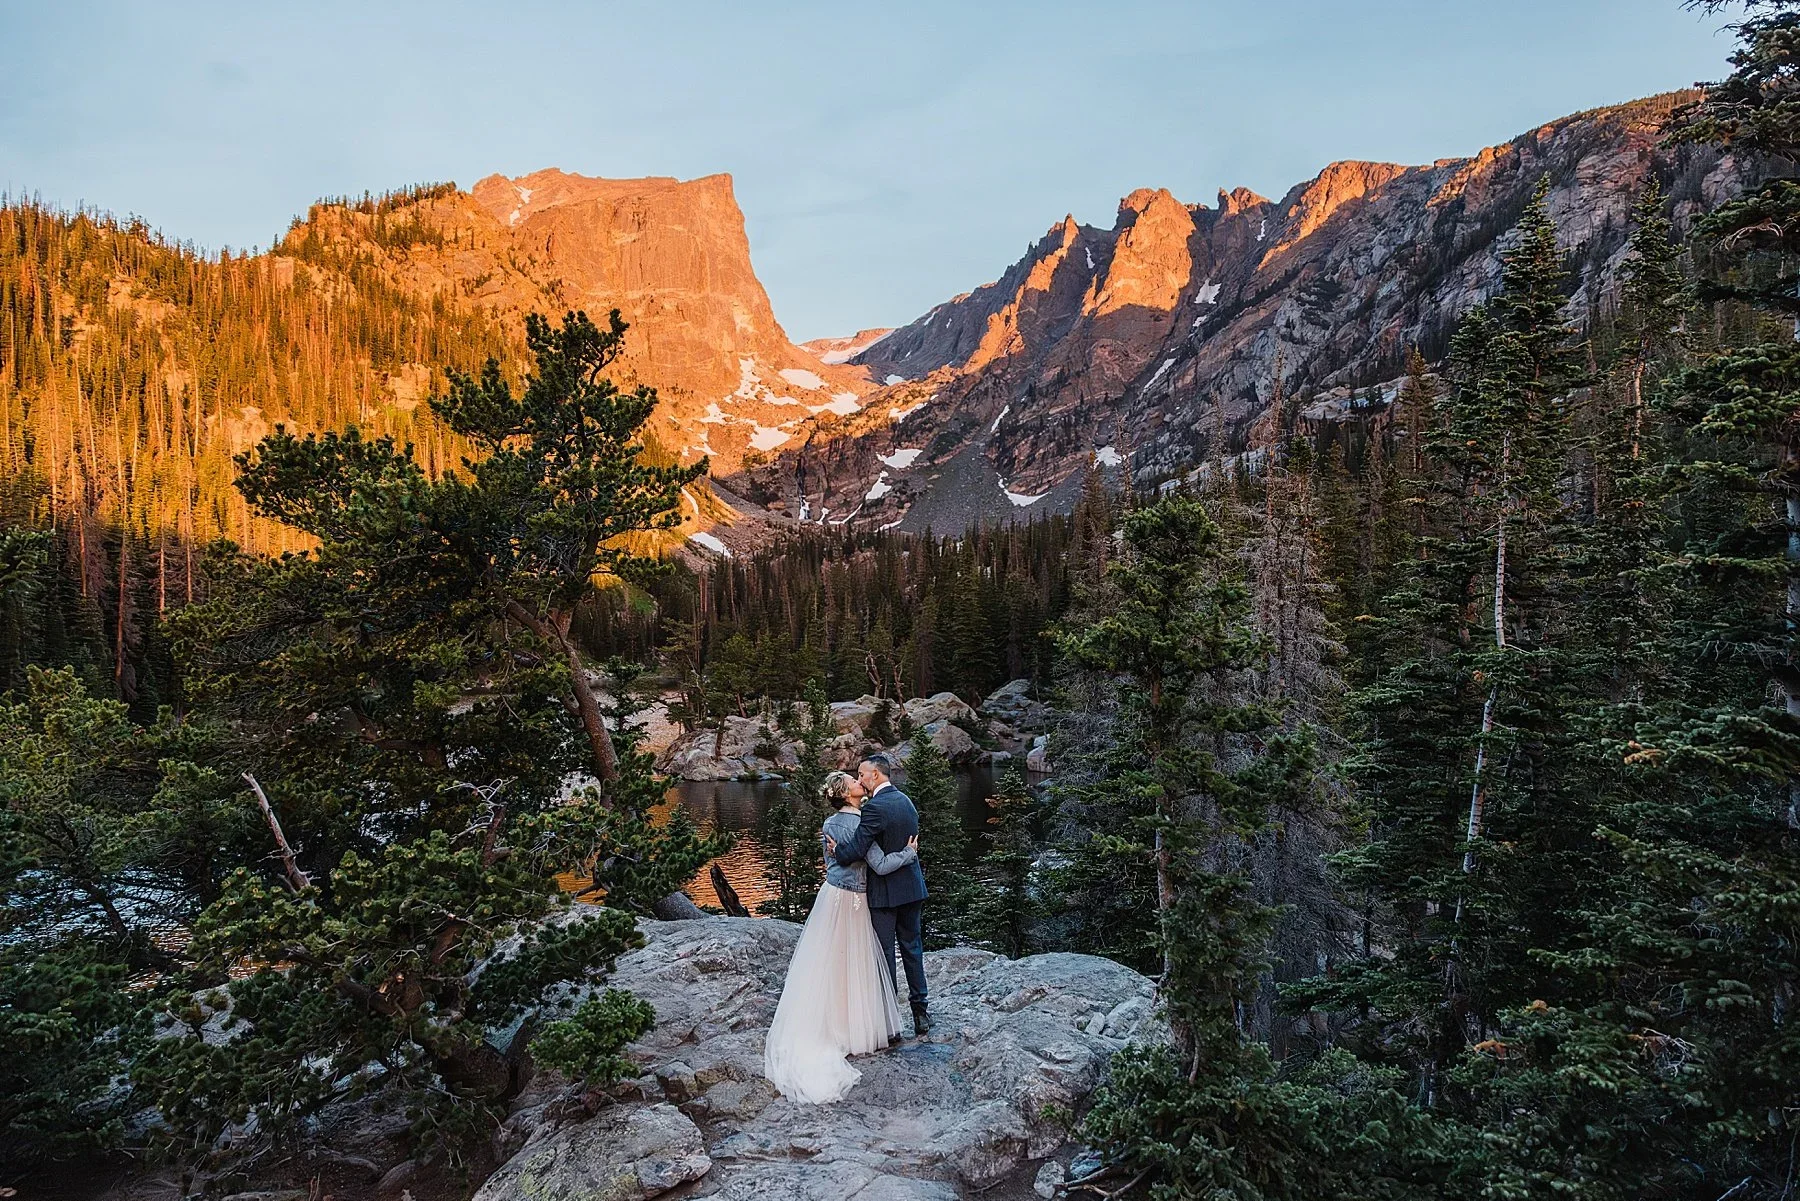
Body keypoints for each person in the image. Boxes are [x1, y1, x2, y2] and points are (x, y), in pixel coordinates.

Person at [762, 770, 920, 1104]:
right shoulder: (858, 823)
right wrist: (909, 853)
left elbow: (841, 859)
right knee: (855, 963)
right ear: (845, 793)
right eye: (852, 780)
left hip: (834, 897)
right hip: (853, 901)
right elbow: (879, 865)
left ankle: (836, 1024)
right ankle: (858, 1027)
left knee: (831, 963)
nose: (858, 782)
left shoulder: (836, 823)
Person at [828, 752, 930, 1036]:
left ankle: (891, 1023)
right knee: (912, 950)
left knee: (884, 957)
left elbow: (857, 849)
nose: (859, 778)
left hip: (885, 895)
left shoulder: (874, 808)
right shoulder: (906, 801)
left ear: (875, 774)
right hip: (912, 888)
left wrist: (838, 851)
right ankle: (921, 1014)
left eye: (861, 774)